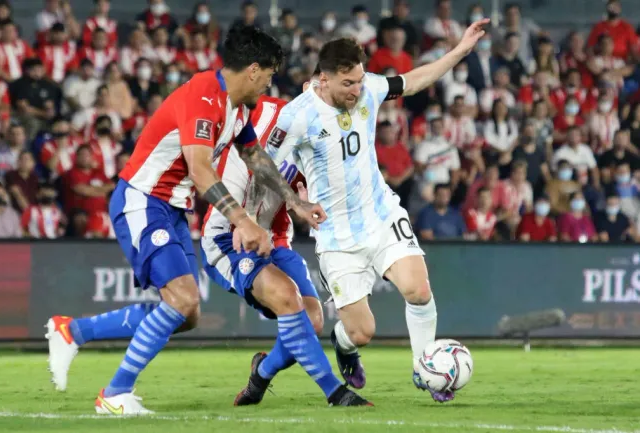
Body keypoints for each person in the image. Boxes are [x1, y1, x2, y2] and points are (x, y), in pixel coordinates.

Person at [45, 26, 324, 415]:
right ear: (255, 70)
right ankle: (114, 393)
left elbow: (255, 157)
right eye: (270, 75)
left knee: (186, 313)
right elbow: (200, 169)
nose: (270, 84)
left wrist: (293, 200)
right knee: (183, 299)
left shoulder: (236, 107)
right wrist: (242, 220)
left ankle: (72, 331)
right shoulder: (203, 96)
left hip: (173, 209)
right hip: (143, 200)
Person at [266, 19, 490, 402]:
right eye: (348, 83)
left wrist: (459, 51)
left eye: (359, 80)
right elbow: (261, 163)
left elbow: (413, 80)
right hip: (336, 235)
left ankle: (426, 368)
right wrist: (294, 201)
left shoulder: (369, 87)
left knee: (418, 290)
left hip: (381, 214)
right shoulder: (296, 115)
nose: (358, 90)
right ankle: (345, 347)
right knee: (361, 332)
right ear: (323, 79)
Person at [203, 93, 369, 406]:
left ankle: (261, 374)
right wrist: (245, 221)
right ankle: (335, 392)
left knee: (312, 319)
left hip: (276, 238)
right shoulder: (261, 117)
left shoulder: (322, 141)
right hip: (228, 235)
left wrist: (307, 198)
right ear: (316, 85)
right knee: (288, 299)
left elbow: (322, 194)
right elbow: (231, 165)